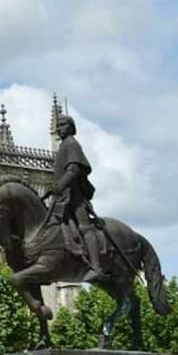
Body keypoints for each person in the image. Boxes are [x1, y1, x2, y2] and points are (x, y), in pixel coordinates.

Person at [41, 114, 105, 282]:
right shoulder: (64, 146)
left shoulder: (71, 144)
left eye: (62, 125)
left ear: (71, 127)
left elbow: (74, 170)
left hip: (75, 196)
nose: (59, 128)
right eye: (58, 125)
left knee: (85, 227)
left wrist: (58, 187)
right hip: (63, 196)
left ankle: (96, 267)